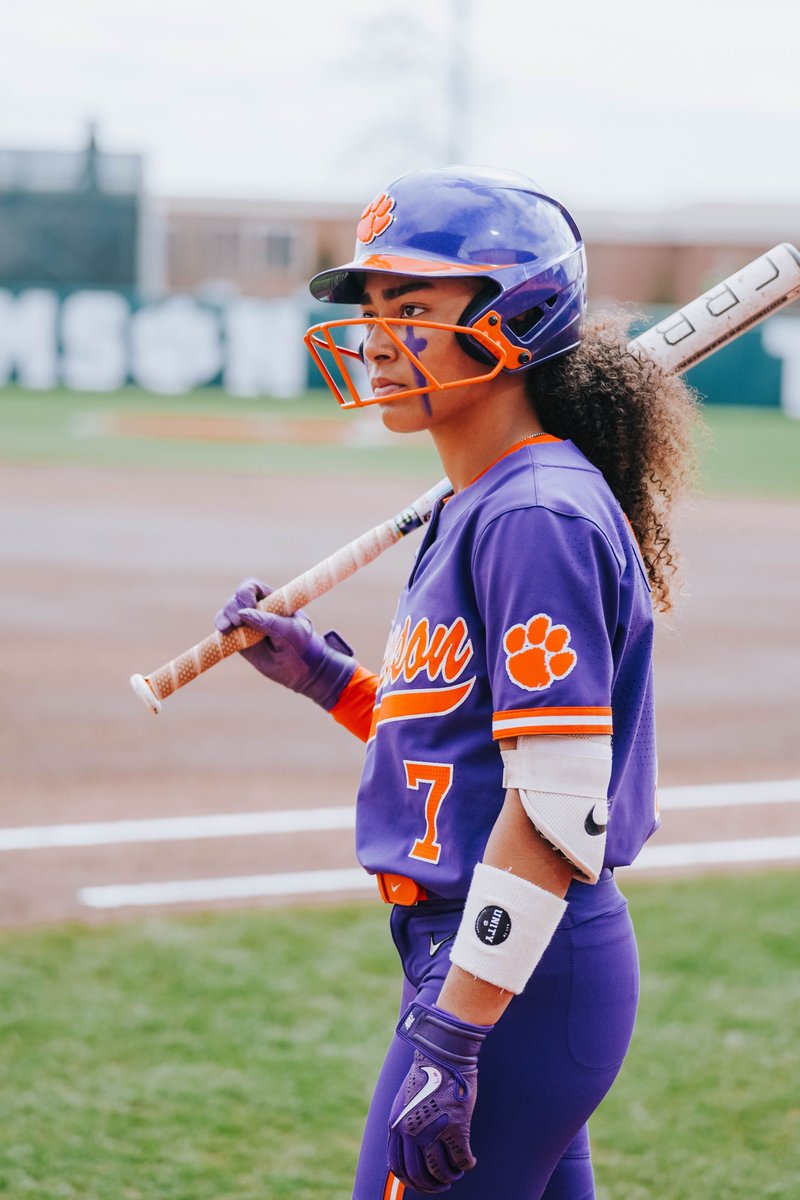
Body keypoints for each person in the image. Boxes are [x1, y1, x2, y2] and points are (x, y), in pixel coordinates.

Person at [214, 166, 700, 1199]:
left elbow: (556, 805)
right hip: (498, 964)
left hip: (510, 974)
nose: (379, 336)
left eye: (414, 307)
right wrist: (326, 679)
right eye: (374, 309)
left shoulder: (532, 513)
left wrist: (451, 1032)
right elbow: (467, 745)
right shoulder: (481, 502)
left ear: (514, 316)